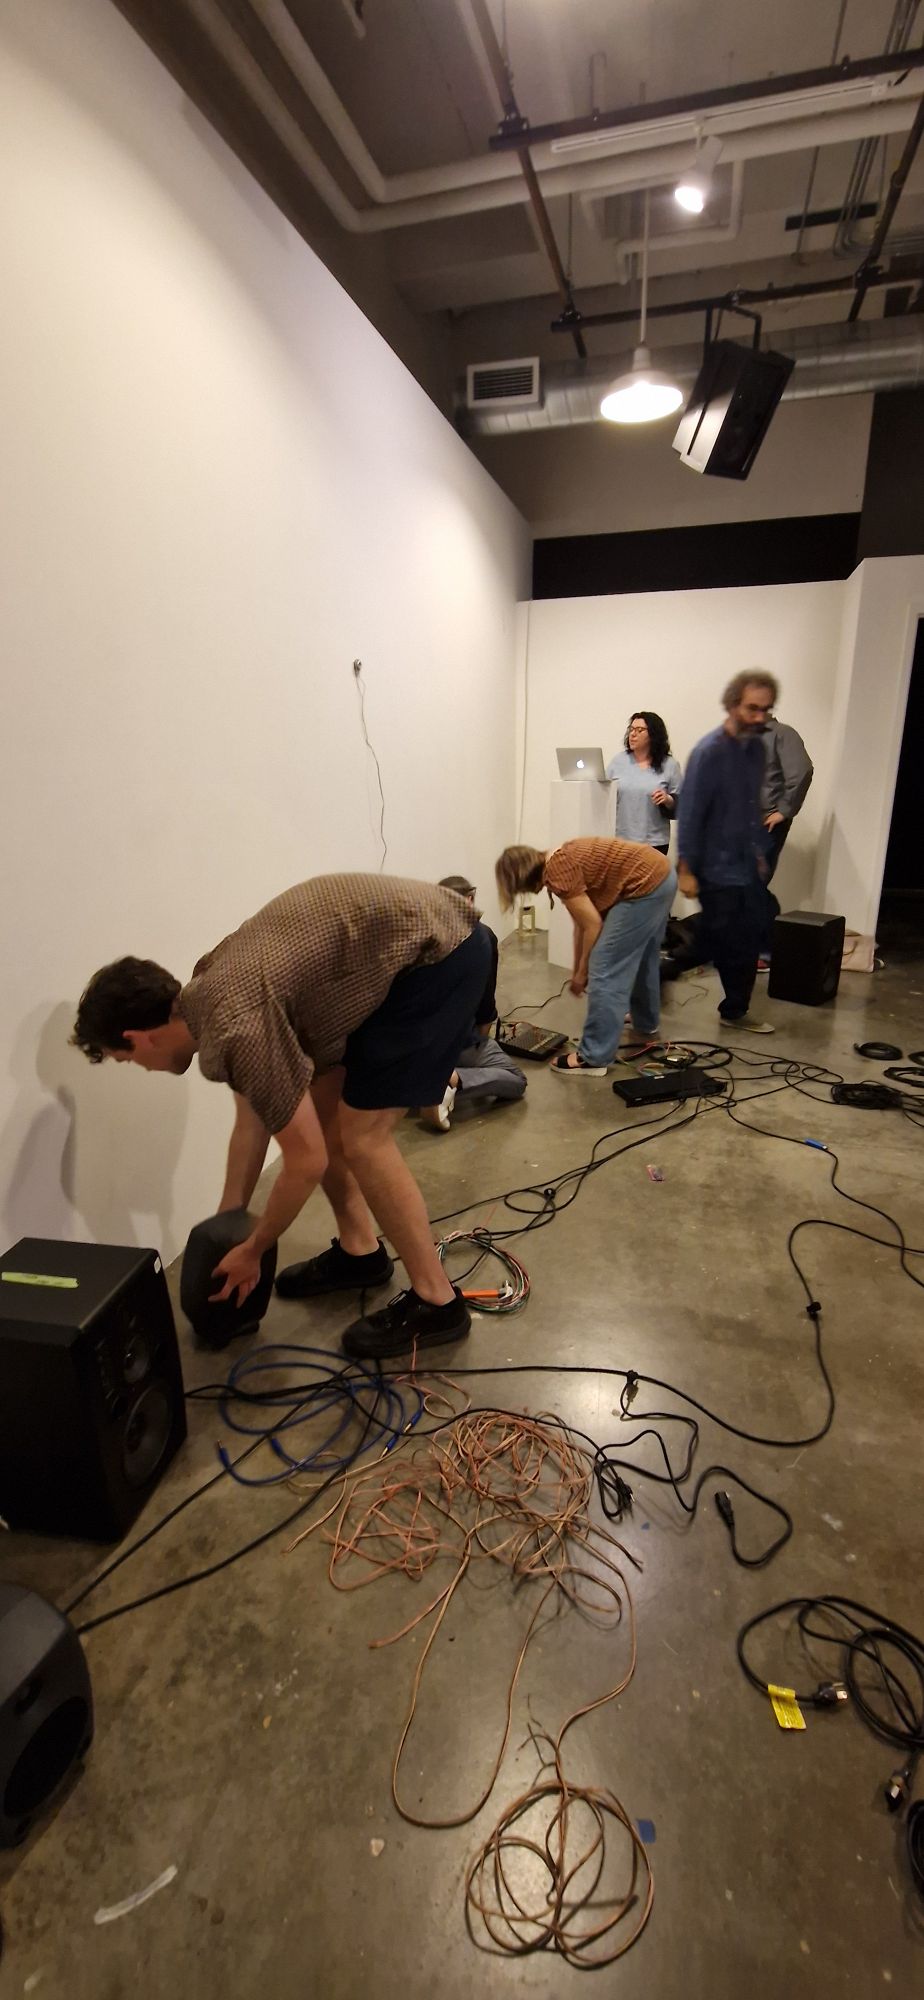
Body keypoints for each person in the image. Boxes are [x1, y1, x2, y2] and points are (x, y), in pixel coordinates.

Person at [70, 874, 493, 1362]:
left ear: (136, 1038)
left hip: (441, 955)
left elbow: (305, 1162)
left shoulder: (233, 1025)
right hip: (409, 949)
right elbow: (251, 1122)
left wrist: (254, 1248)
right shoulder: (207, 994)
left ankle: (437, 1302)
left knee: (365, 1140)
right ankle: (360, 1253)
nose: (139, 1068)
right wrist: (228, 1225)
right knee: (322, 1115)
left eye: (126, 1059)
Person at [495, 837, 676, 1076]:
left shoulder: (558, 871)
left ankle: (594, 1058)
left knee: (605, 967)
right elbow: (580, 925)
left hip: (645, 886)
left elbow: (592, 926)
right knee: (643, 956)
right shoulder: (558, 859)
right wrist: (578, 970)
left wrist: (584, 971)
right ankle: (645, 1021)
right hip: (662, 875)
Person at [677, 672, 778, 1034]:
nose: (759, 717)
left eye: (766, 710)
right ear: (732, 704)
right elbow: (690, 813)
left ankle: (735, 1010)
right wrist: (685, 868)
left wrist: (758, 853)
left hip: (746, 865)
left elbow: (750, 806)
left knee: (748, 937)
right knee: (709, 944)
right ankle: (652, 978)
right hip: (714, 867)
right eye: (752, 708)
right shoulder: (709, 752)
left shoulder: (756, 750)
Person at [420, 876, 526, 1131]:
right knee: (516, 1080)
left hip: (414, 1042)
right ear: (469, 900)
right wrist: (479, 1043)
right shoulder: (482, 937)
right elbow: (485, 1007)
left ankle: (418, 1079)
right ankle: (450, 1081)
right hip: (456, 1041)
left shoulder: (420, 936)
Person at [605, 711, 683, 854]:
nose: (633, 734)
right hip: (622, 840)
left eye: (639, 730)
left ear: (653, 734)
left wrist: (668, 799)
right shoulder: (618, 761)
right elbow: (604, 794)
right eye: (631, 729)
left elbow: (683, 804)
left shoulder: (669, 765)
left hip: (655, 842)